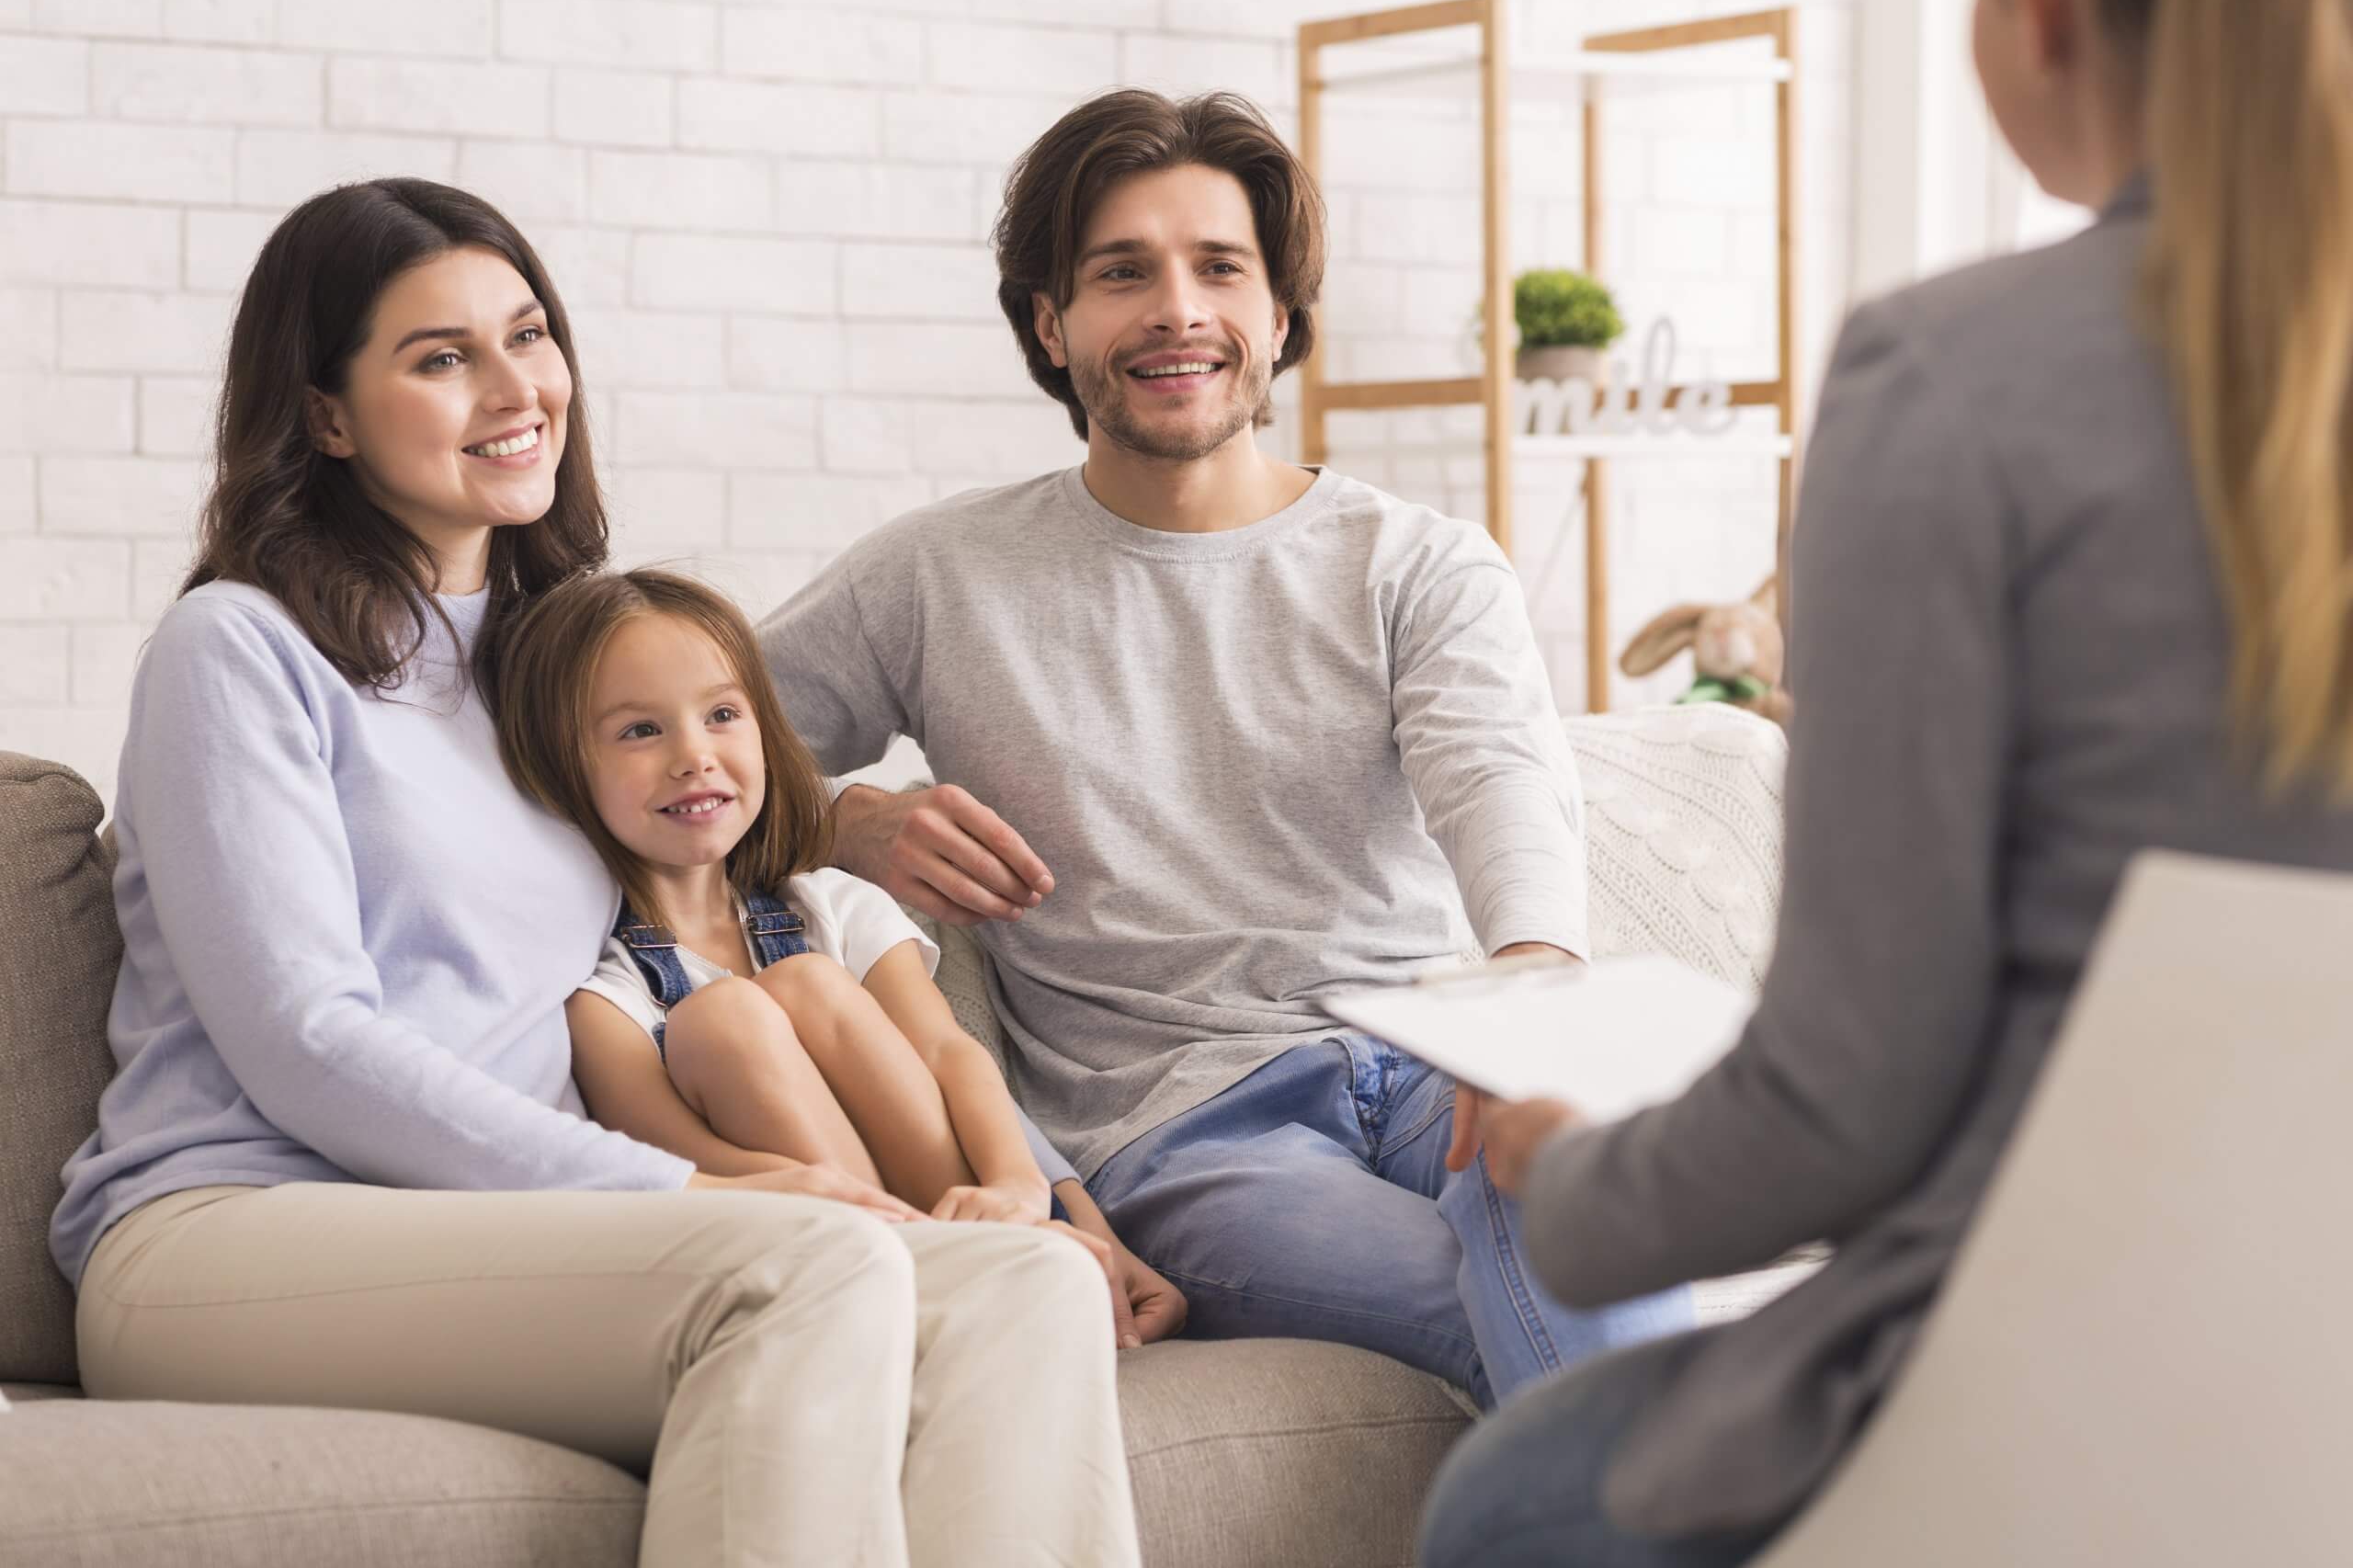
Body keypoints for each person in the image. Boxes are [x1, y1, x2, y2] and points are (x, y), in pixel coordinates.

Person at [48, 177, 1141, 1568]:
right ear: (326, 414)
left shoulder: (555, 662)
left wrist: (1054, 1192)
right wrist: (686, 1194)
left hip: (509, 1227)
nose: (514, 388)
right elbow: (307, 1042)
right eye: (441, 357)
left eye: (529, 334)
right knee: (799, 1269)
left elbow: (743, 873)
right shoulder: (239, 648)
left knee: (1025, 1286)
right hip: (229, 1231)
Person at [1415, 0, 2353, 1562]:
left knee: (1508, 1509)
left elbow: (1844, 1107)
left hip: (2060, 1378)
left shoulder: (1953, 380)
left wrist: (1564, 1170)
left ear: (2039, 14)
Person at [756, 88, 1689, 1411]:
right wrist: (840, 821)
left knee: (1587, 1222)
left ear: (1281, 315)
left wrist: (1531, 995)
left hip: (1430, 1056)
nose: (1177, 310)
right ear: (1050, 321)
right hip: (1191, 1131)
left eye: (1219, 269)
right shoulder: (934, 576)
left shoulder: (1415, 562)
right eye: (1122, 271)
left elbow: (1499, 775)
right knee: (1550, 1315)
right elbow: (679, 745)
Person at [493, 564, 1188, 1333]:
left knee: (805, 983)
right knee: (725, 1016)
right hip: (827, 1257)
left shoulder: (834, 905)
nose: (694, 755)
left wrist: (1027, 1190)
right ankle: (938, 1280)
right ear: (561, 767)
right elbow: (683, 1172)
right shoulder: (604, 1002)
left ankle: (1000, 1258)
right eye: (640, 730)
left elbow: (952, 1057)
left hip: (967, 1215)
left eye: (723, 713)